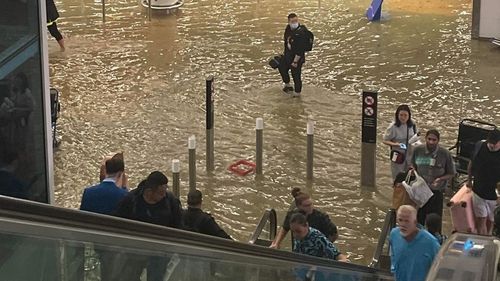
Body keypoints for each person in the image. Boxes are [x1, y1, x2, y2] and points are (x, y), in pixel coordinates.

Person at [115, 171, 183, 281]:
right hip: (135, 250)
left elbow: (178, 225)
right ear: (149, 191)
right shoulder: (131, 200)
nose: (164, 195)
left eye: (165, 190)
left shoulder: (170, 201)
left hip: (160, 252)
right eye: (161, 193)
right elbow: (118, 221)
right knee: (130, 276)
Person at [410, 129, 455, 227]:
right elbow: (412, 164)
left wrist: (440, 179)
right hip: (421, 191)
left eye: (434, 140)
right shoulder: (418, 150)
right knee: (419, 219)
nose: (431, 142)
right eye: (429, 139)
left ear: (438, 141)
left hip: (436, 192)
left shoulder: (445, 154)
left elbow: (451, 173)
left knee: (435, 221)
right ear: (425, 138)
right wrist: (413, 170)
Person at [270, 188, 338, 249]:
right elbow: (284, 228)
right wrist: (276, 243)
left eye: (311, 204)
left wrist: (324, 246)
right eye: (306, 206)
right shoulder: (292, 215)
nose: (310, 207)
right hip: (298, 249)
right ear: (298, 206)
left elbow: (334, 234)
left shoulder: (321, 217)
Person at [389, 205, 440, 281]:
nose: (403, 224)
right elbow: (393, 256)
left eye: (407, 221)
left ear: (415, 222)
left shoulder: (431, 243)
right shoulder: (394, 234)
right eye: (400, 220)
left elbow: (439, 269)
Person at [467, 129, 500, 235]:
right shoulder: (480, 146)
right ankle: (483, 239)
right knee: (481, 221)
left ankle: (488, 236)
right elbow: (471, 164)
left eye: (495, 143)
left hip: (494, 195)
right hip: (478, 190)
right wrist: (469, 180)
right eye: (490, 142)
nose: (492, 145)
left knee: (491, 220)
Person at [383, 104, 418, 180]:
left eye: (405, 115)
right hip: (398, 155)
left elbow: (416, 136)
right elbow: (385, 140)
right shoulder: (393, 127)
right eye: (401, 115)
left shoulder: (412, 124)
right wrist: (396, 144)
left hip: (410, 154)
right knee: (397, 178)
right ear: (397, 115)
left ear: (409, 116)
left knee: (410, 177)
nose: (403, 117)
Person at [279, 13, 307, 97]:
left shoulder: (301, 32)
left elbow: (301, 50)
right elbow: (286, 42)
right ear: (288, 22)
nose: (294, 23)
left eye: (296, 21)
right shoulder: (288, 29)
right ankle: (287, 85)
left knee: (296, 76)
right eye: (292, 21)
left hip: (297, 58)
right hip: (288, 55)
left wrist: (295, 61)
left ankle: (297, 94)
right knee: (281, 67)